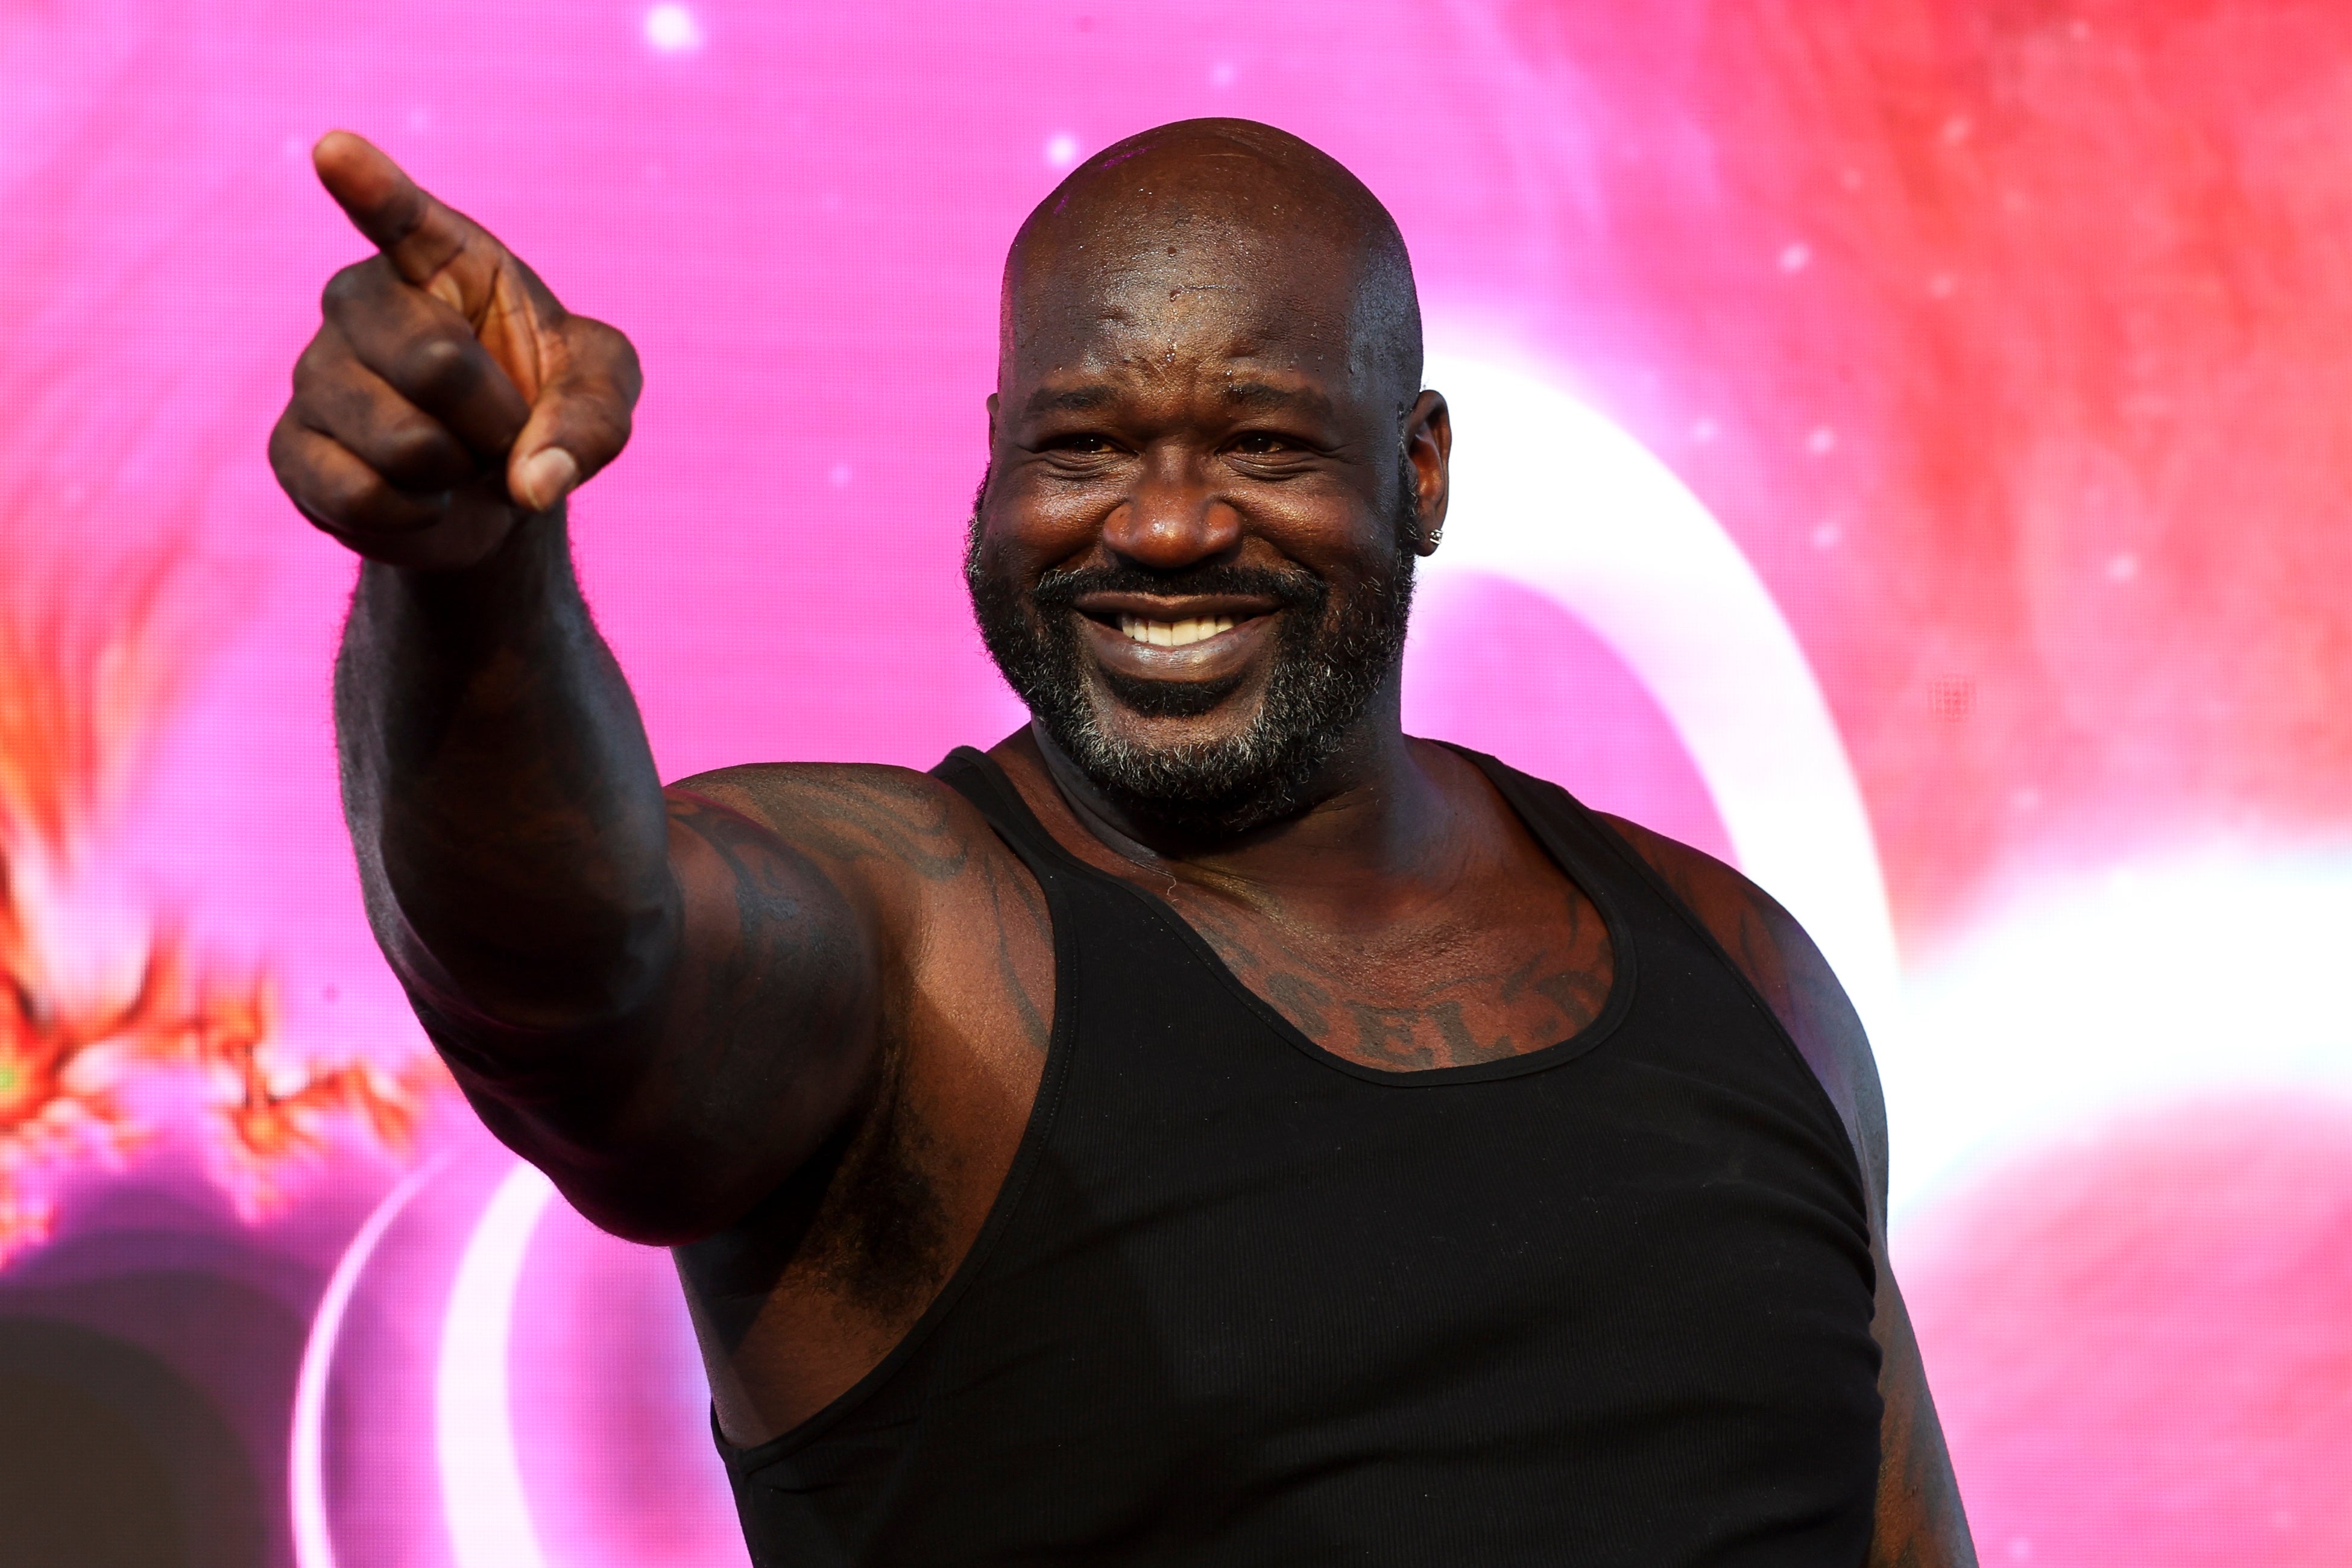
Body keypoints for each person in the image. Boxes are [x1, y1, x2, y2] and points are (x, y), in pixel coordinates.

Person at [270, 117, 1976, 1566]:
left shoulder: (1750, 977)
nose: (1162, 527)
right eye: (1081, 445)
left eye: (1261, 443)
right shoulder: (915, 943)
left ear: (1420, 470)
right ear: (993, 467)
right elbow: (570, 966)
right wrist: (465, 568)